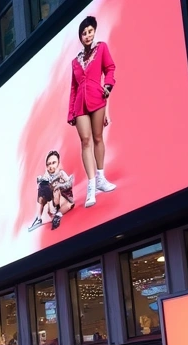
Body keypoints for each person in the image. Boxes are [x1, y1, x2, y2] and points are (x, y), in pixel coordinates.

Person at [69, 15, 118, 208]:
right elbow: (73, 87)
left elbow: (110, 68)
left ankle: (100, 178)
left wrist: (108, 85)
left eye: (90, 32)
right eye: (84, 33)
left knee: (98, 138)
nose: (87, 35)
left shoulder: (102, 48)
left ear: (94, 32)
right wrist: (71, 112)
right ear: (80, 37)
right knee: (85, 140)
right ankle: (91, 186)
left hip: (98, 97)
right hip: (80, 102)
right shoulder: (75, 61)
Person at [29, 151, 76, 231]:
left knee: (56, 189)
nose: (51, 166)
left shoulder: (61, 173)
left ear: (58, 163)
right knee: (42, 187)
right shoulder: (46, 175)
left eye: (53, 163)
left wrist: (60, 185)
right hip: (53, 204)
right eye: (49, 164)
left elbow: (69, 183)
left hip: (65, 201)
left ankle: (57, 215)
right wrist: (41, 181)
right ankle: (39, 217)